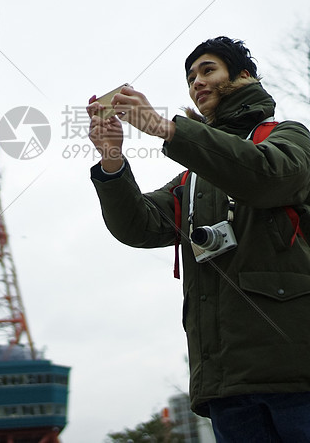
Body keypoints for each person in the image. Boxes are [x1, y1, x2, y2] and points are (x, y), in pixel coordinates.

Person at [87, 37, 310, 442]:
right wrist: (112, 160)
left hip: (297, 372)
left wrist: (165, 129)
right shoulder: (192, 177)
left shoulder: (289, 136)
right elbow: (138, 225)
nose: (197, 83)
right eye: (191, 78)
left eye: (208, 70)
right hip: (225, 382)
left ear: (244, 76)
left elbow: (267, 177)